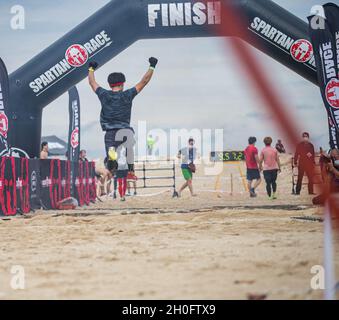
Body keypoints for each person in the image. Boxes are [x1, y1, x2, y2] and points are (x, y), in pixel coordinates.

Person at [88, 57, 158, 169]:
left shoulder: (103, 94)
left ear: (110, 84)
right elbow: (144, 81)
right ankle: (131, 170)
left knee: (111, 163)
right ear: (122, 84)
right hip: (125, 129)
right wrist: (152, 65)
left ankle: (112, 157)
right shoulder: (128, 94)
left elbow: (92, 82)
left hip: (110, 132)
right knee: (129, 147)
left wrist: (91, 68)